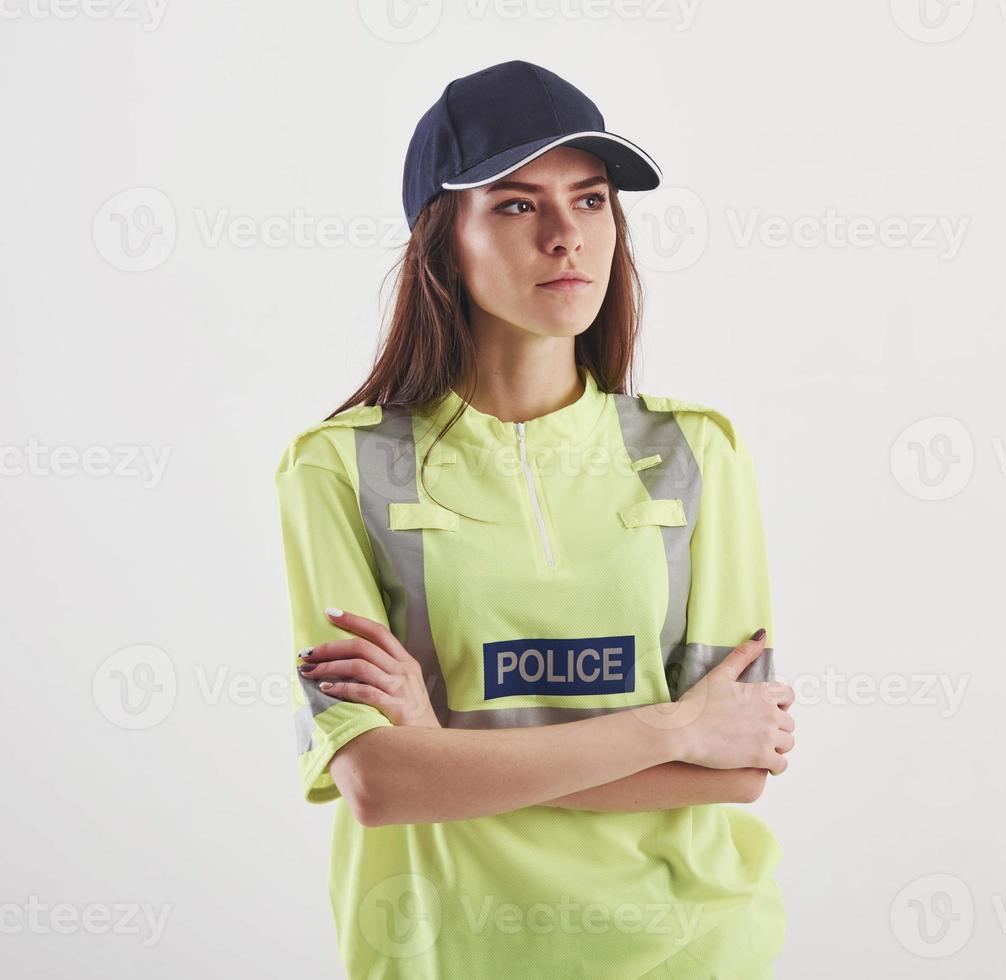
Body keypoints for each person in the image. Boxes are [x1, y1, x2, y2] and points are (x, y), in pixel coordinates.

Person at [273, 60, 795, 978]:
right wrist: (672, 727)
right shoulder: (338, 467)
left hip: (691, 948)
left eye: (590, 202)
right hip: (445, 951)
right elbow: (381, 783)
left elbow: (740, 764)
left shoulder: (696, 452)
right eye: (516, 206)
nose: (566, 237)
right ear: (443, 238)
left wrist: (444, 742)